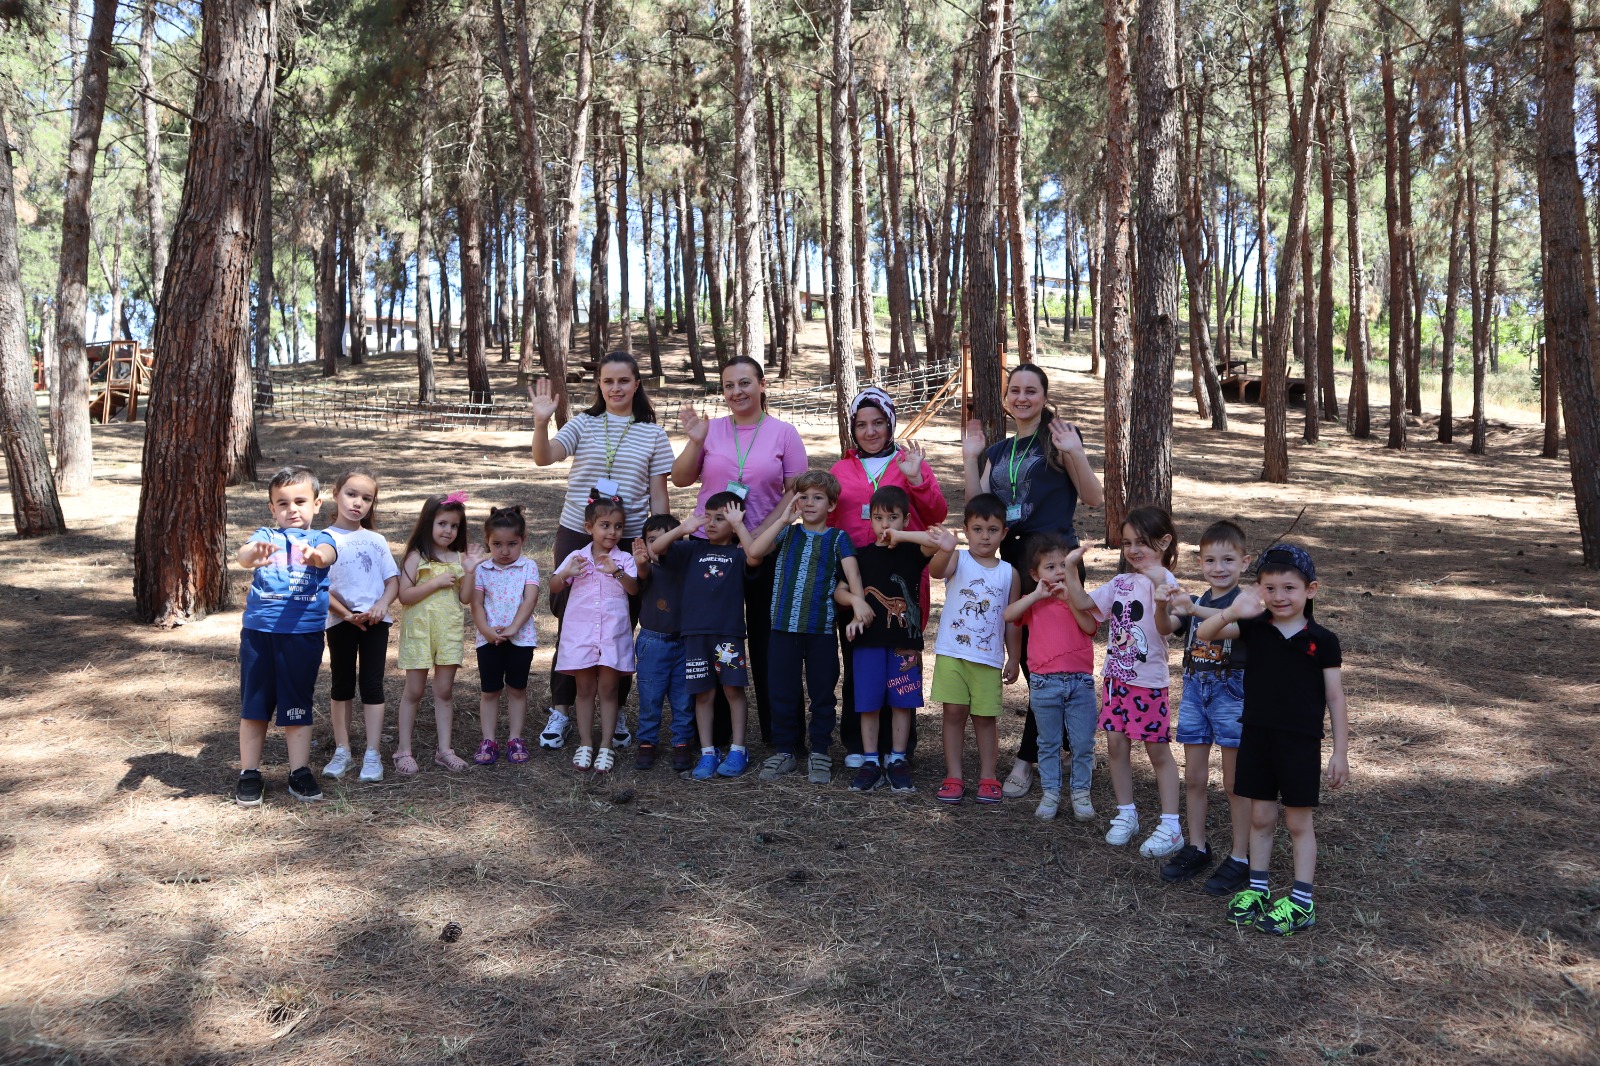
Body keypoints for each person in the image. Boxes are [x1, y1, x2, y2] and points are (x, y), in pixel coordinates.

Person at [961, 363, 1103, 799]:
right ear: (1006, 397)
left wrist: (1074, 451)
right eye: (1015, 390)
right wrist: (971, 458)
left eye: (1031, 390)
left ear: (1044, 395)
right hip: (1013, 560)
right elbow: (979, 507)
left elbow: (1095, 498)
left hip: (1055, 562)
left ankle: (1026, 761)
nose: (1022, 397)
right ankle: (1060, 741)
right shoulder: (999, 452)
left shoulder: (1059, 437)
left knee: (1052, 661)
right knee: (1029, 661)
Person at [1195, 544, 1348, 936]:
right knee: (1261, 816)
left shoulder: (1323, 641)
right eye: (1270, 588)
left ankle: (1301, 902)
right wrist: (1233, 610)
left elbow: (1335, 697)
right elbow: (1203, 636)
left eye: (1289, 588)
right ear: (1259, 590)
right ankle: (1258, 889)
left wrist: (1340, 752)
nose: (1279, 597)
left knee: (1298, 822)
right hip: (1257, 736)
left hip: (1299, 742)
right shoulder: (1255, 627)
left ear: (1310, 590)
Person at [530, 352, 674, 752]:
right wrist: (542, 422)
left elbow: (659, 496)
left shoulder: (653, 434)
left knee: (619, 624)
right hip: (577, 533)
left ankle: (615, 704)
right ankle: (562, 708)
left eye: (623, 381)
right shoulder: (583, 423)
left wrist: (656, 542)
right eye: (607, 381)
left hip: (627, 541)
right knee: (572, 620)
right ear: (599, 385)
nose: (615, 388)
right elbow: (544, 458)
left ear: (637, 384)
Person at [673, 356, 807, 746]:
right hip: (710, 549)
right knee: (712, 636)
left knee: (769, 642)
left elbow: (794, 492)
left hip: (764, 551)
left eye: (745, 383)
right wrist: (695, 440)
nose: (737, 392)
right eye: (729, 385)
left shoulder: (784, 433)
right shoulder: (710, 430)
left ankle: (780, 734)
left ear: (762, 385)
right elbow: (681, 480)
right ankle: (711, 738)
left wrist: (758, 536)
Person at [828, 387, 947, 768]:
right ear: (852, 429)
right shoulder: (840, 470)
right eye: (861, 424)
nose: (870, 431)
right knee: (859, 659)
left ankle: (899, 749)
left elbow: (936, 513)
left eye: (878, 422)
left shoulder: (909, 462)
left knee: (901, 661)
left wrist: (917, 480)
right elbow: (830, 523)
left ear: (890, 423)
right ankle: (859, 746)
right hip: (857, 580)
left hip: (901, 578)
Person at [1057, 505, 1186, 858]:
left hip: (1149, 682)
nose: (1133, 550)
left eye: (1141, 542)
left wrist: (1161, 594)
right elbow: (1084, 603)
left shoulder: (1167, 582)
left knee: (1157, 751)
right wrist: (1069, 567)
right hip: (1116, 680)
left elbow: (1164, 628)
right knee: (1116, 746)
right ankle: (1126, 814)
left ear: (1164, 542)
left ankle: (1171, 824)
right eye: (1127, 543)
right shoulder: (1121, 582)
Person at [746, 472, 869, 784]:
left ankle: (821, 752)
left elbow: (853, 577)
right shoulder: (787, 534)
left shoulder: (838, 538)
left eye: (817, 497)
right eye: (804, 496)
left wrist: (857, 606)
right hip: (782, 628)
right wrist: (784, 519)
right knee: (782, 692)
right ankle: (784, 750)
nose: (809, 502)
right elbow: (755, 552)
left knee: (823, 693)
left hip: (820, 631)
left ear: (831, 504)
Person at [840, 486, 956, 794]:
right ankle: (870, 761)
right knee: (868, 703)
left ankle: (898, 760)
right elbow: (839, 590)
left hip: (904, 643)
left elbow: (938, 541)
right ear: (870, 520)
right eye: (878, 518)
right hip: (867, 642)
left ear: (906, 520)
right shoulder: (861, 555)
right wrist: (856, 601)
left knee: (902, 700)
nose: (885, 525)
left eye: (893, 518)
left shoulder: (911, 552)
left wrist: (901, 536)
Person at [234, 466, 338, 806]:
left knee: (297, 705)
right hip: (260, 633)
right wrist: (254, 553)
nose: (291, 509)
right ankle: (249, 773)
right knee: (254, 705)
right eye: (282, 503)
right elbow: (243, 556)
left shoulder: (322, 538)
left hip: (302, 634)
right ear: (272, 508)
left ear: (317, 504)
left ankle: (299, 771)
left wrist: (314, 556)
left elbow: (327, 557)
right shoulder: (266, 534)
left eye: (299, 501)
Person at [646, 494, 769, 780]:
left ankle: (738, 749)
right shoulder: (691, 550)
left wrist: (740, 526)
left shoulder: (739, 553)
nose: (711, 524)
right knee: (703, 694)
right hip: (695, 636)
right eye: (708, 516)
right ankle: (708, 752)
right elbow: (657, 548)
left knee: (733, 691)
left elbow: (754, 556)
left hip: (728, 636)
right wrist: (682, 529)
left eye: (720, 518)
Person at [1160, 520, 1253, 891]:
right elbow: (1167, 626)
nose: (1219, 568)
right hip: (1197, 691)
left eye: (1228, 560)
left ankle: (1240, 856)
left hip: (1232, 693)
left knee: (1234, 782)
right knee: (1195, 777)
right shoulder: (1196, 599)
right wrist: (1161, 603)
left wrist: (1189, 608)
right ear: (1200, 563)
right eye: (1210, 560)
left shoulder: (1246, 603)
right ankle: (1197, 846)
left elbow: (1214, 625)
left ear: (1244, 562)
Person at [931, 494, 1021, 804]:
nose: (985, 536)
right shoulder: (959, 559)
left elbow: (1012, 620)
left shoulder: (1010, 573)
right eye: (978, 529)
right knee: (953, 712)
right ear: (966, 530)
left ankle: (988, 776)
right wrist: (945, 548)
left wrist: (1015, 656)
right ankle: (953, 775)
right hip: (952, 654)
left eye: (993, 529)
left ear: (1004, 533)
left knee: (985, 718)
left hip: (988, 658)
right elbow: (936, 571)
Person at [1002, 533, 1098, 821]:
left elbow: (1091, 628)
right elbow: (1009, 615)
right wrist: (1035, 595)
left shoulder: (1078, 599)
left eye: (1063, 566)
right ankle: (1051, 792)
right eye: (1050, 567)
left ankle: (1081, 793)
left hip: (1080, 683)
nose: (1057, 572)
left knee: (1082, 743)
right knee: (1048, 743)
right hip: (1045, 683)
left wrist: (1071, 599)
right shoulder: (1033, 602)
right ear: (1035, 574)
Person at [548, 497, 640, 773]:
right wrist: (566, 573)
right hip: (582, 637)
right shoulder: (576, 557)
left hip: (612, 636)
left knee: (609, 690)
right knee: (585, 690)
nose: (612, 532)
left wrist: (618, 573)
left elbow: (634, 590)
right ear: (589, 527)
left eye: (618, 526)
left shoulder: (624, 559)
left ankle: (606, 746)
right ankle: (586, 743)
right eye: (605, 526)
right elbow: (553, 586)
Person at [321, 467, 398, 784]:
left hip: (375, 623)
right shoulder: (324, 539)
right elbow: (321, 587)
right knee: (341, 685)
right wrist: (346, 613)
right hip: (340, 621)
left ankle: (372, 753)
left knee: (372, 684)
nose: (358, 503)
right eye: (351, 494)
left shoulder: (376, 540)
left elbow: (392, 581)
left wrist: (381, 605)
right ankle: (342, 750)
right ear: (336, 494)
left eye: (367, 498)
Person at [394, 492, 481, 775]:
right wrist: (437, 582)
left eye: (454, 526)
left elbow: (466, 598)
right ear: (428, 522)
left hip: (448, 633)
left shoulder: (459, 558)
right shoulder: (416, 557)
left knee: (444, 691)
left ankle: (445, 750)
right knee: (414, 690)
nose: (448, 531)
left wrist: (469, 572)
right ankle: (403, 751)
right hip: (420, 633)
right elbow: (404, 596)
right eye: (442, 523)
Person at [462, 505, 541, 767]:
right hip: (489, 640)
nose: (504, 551)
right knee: (490, 690)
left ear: (523, 541)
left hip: (520, 639)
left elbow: (530, 600)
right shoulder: (482, 570)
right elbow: (476, 604)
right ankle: (489, 740)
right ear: (487, 542)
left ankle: (515, 738)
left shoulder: (528, 566)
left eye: (512, 544)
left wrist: (513, 629)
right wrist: (486, 632)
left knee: (517, 688)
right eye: (497, 544)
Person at [630, 514, 693, 771]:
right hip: (653, 641)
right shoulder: (647, 567)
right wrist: (640, 561)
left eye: (668, 538)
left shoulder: (684, 563)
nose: (661, 544)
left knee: (683, 697)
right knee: (650, 696)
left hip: (684, 642)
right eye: (653, 540)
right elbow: (643, 571)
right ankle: (647, 741)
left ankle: (682, 741)